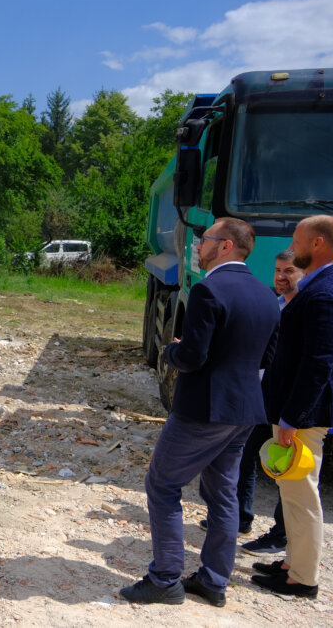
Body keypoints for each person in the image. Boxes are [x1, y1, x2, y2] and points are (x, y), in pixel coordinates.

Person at [120, 218, 280, 607]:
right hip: (244, 410)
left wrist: (171, 350)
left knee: (162, 485)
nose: (198, 246)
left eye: (205, 239)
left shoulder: (209, 290)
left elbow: (192, 357)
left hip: (204, 410)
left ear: (225, 246)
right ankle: (213, 580)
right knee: (223, 494)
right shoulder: (266, 294)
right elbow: (268, 357)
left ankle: (165, 578)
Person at [252, 215, 333, 599]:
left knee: (302, 497)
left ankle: (303, 579)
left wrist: (291, 418)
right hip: (302, 413)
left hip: (306, 416)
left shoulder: (326, 293)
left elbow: (319, 363)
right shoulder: (323, 285)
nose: (291, 246)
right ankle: (290, 565)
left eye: (296, 240)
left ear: (316, 244)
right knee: (292, 494)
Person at [199, 250, 303, 552]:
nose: (282, 277)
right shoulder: (273, 303)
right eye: (278, 270)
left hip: (288, 403)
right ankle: (242, 518)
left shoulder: (304, 309)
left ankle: (282, 534)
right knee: (245, 459)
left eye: (289, 271)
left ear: (303, 274)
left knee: (288, 472)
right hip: (259, 397)